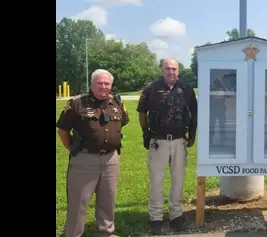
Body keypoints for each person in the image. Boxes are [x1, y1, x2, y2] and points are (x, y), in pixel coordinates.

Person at [56, 69, 129, 237]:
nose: (104, 86)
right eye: (99, 83)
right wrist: (73, 148)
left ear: (111, 85)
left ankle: (106, 233)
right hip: (84, 160)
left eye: (107, 83)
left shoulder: (117, 103)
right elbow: (62, 130)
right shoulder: (77, 103)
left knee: (108, 199)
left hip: (111, 159)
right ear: (92, 84)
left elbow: (121, 125)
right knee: (79, 202)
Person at [137, 57, 198, 234]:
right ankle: (156, 217)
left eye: (174, 69)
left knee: (178, 180)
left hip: (179, 140)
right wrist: (145, 132)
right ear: (162, 70)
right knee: (156, 180)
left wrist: (192, 134)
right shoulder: (151, 88)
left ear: (178, 70)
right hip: (158, 141)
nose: (171, 72)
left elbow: (194, 112)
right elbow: (142, 112)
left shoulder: (186, 88)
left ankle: (176, 215)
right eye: (167, 68)